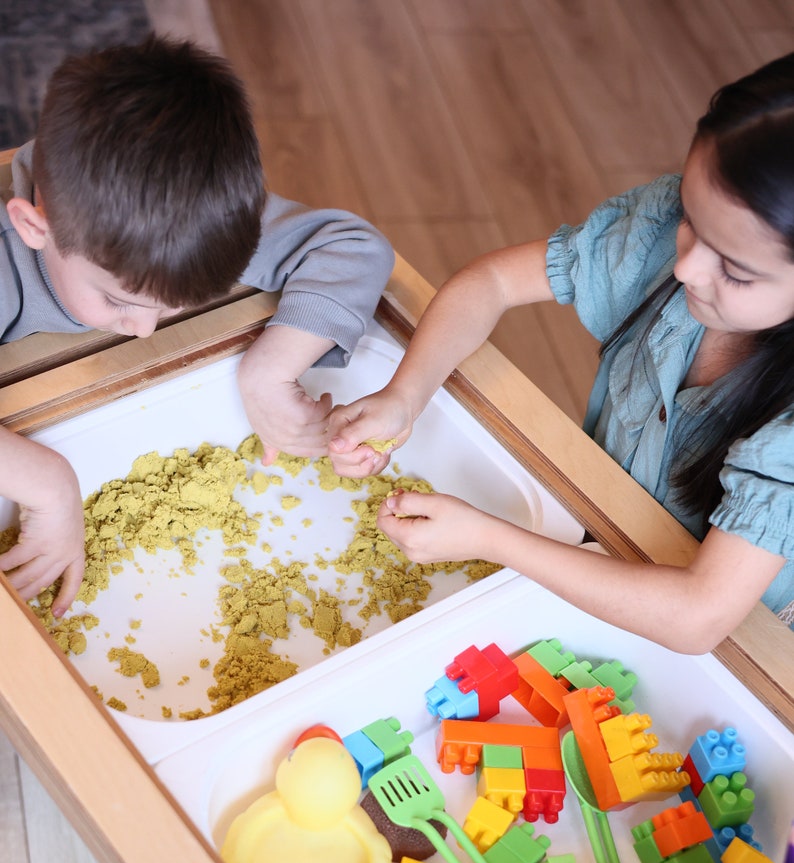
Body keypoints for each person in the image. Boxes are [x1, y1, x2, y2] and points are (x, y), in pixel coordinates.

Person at [327, 53, 794, 655]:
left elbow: (697, 617)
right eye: (692, 221)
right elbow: (491, 283)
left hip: (743, 639)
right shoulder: (662, 234)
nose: (685, 267)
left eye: (733, 269)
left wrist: (492, 539)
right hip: (601, 521)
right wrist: (404, 394)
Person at [0, 35, 393, 618]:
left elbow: (355, 248)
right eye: (115, 301)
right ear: (35, 227)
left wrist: (271, 369)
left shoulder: (192, 219)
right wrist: (51, 484)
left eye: (174, 305)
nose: (143, 331)